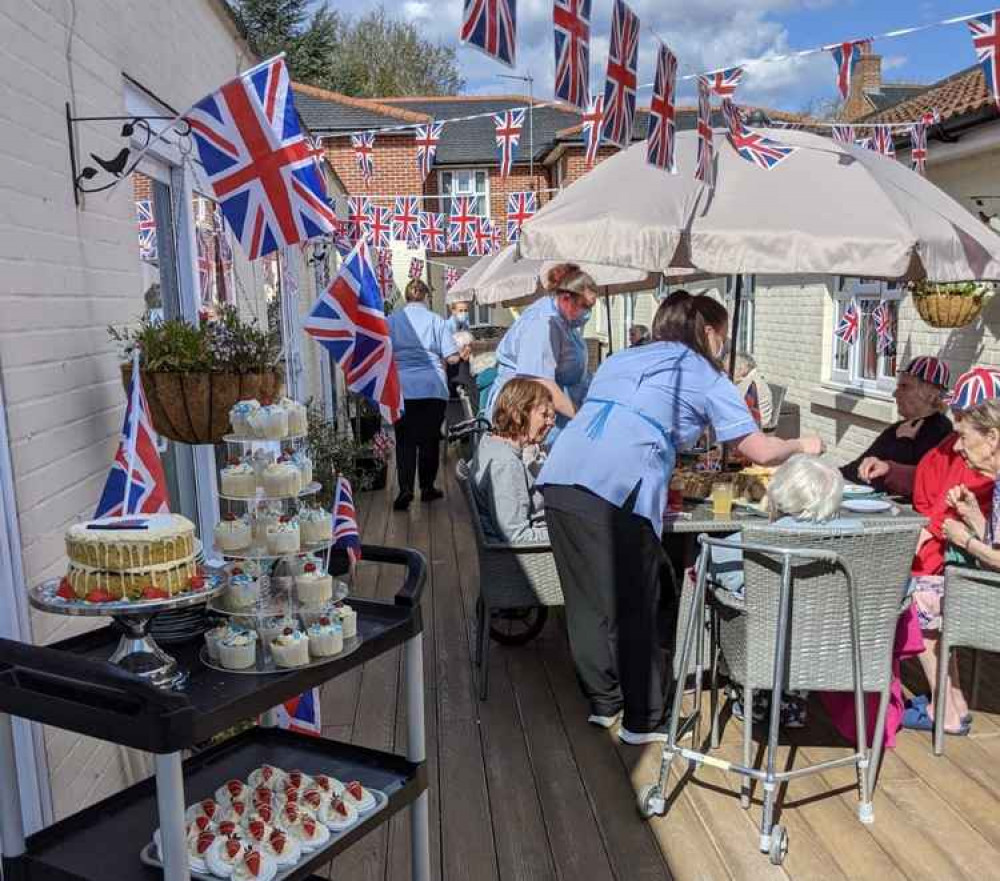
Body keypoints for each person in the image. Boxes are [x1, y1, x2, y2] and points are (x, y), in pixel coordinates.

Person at [537, 291, 824, 744]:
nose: (722, 348)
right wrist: (803, 445)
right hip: (619, 486)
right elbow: (759, 449)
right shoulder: (704, 373)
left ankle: (604, 703)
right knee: (643, 604)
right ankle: (644, 721)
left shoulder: (622, 359)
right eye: (722, 338)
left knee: (586, 603)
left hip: (561, 475)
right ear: (707, 332)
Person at [708, 455, 858, 728]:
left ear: (777, 496)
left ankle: (756, 697)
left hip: (766, 655)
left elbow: (709, 568)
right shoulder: (871, 542)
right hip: (842, 656)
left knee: (733, 600)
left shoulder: (744, 543)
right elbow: (903, 588)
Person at [906, 368, 1000, 735]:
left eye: (963, 433)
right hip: (981, 585)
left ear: (992, 436)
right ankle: (951, 701)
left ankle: (945, 706)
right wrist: (974, 516)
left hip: (988, 601)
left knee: (920, 593)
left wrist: (964, 539)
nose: (957, 445)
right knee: (926, 584)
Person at [484, 263, 596, 428]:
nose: (588, 312)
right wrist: (580, 417)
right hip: (524, 411)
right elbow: (540, 381)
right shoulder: (542, 323)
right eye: (585, 306)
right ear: (566, 299)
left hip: (553, 410)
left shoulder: (564, 320)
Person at [387, 279, 459, 511]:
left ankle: (406, 488)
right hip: (432, 387)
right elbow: (451, 357)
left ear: (406, 297)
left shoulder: (391, 321)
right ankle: (427, 488)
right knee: (429, 439)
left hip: (403, 389)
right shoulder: (437, 321)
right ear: (426, 297)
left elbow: (383, 354)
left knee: (405, 439)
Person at [840, 356, 953, 499]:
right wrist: (828, 474)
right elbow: (856, 468)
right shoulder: (899, 428)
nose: (895, 393)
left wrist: (903, 442)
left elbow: (918, 482)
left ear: (930, 394)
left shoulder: (941, 431)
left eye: (904, 387)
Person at [469, 379, 555, 544]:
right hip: (531, 560)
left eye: (552, 417)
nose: (551, 423)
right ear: (517, 415)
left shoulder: (489, 442)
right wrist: (563, 535)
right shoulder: (506, 464)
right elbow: (517, 537)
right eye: (544, 415)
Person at [733, 352, 773, 429]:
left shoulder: (750, 382)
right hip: (759, 425)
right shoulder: (755, 378)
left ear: (742, 368)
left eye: (732, 368)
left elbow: (735, 405)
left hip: (753, 429)